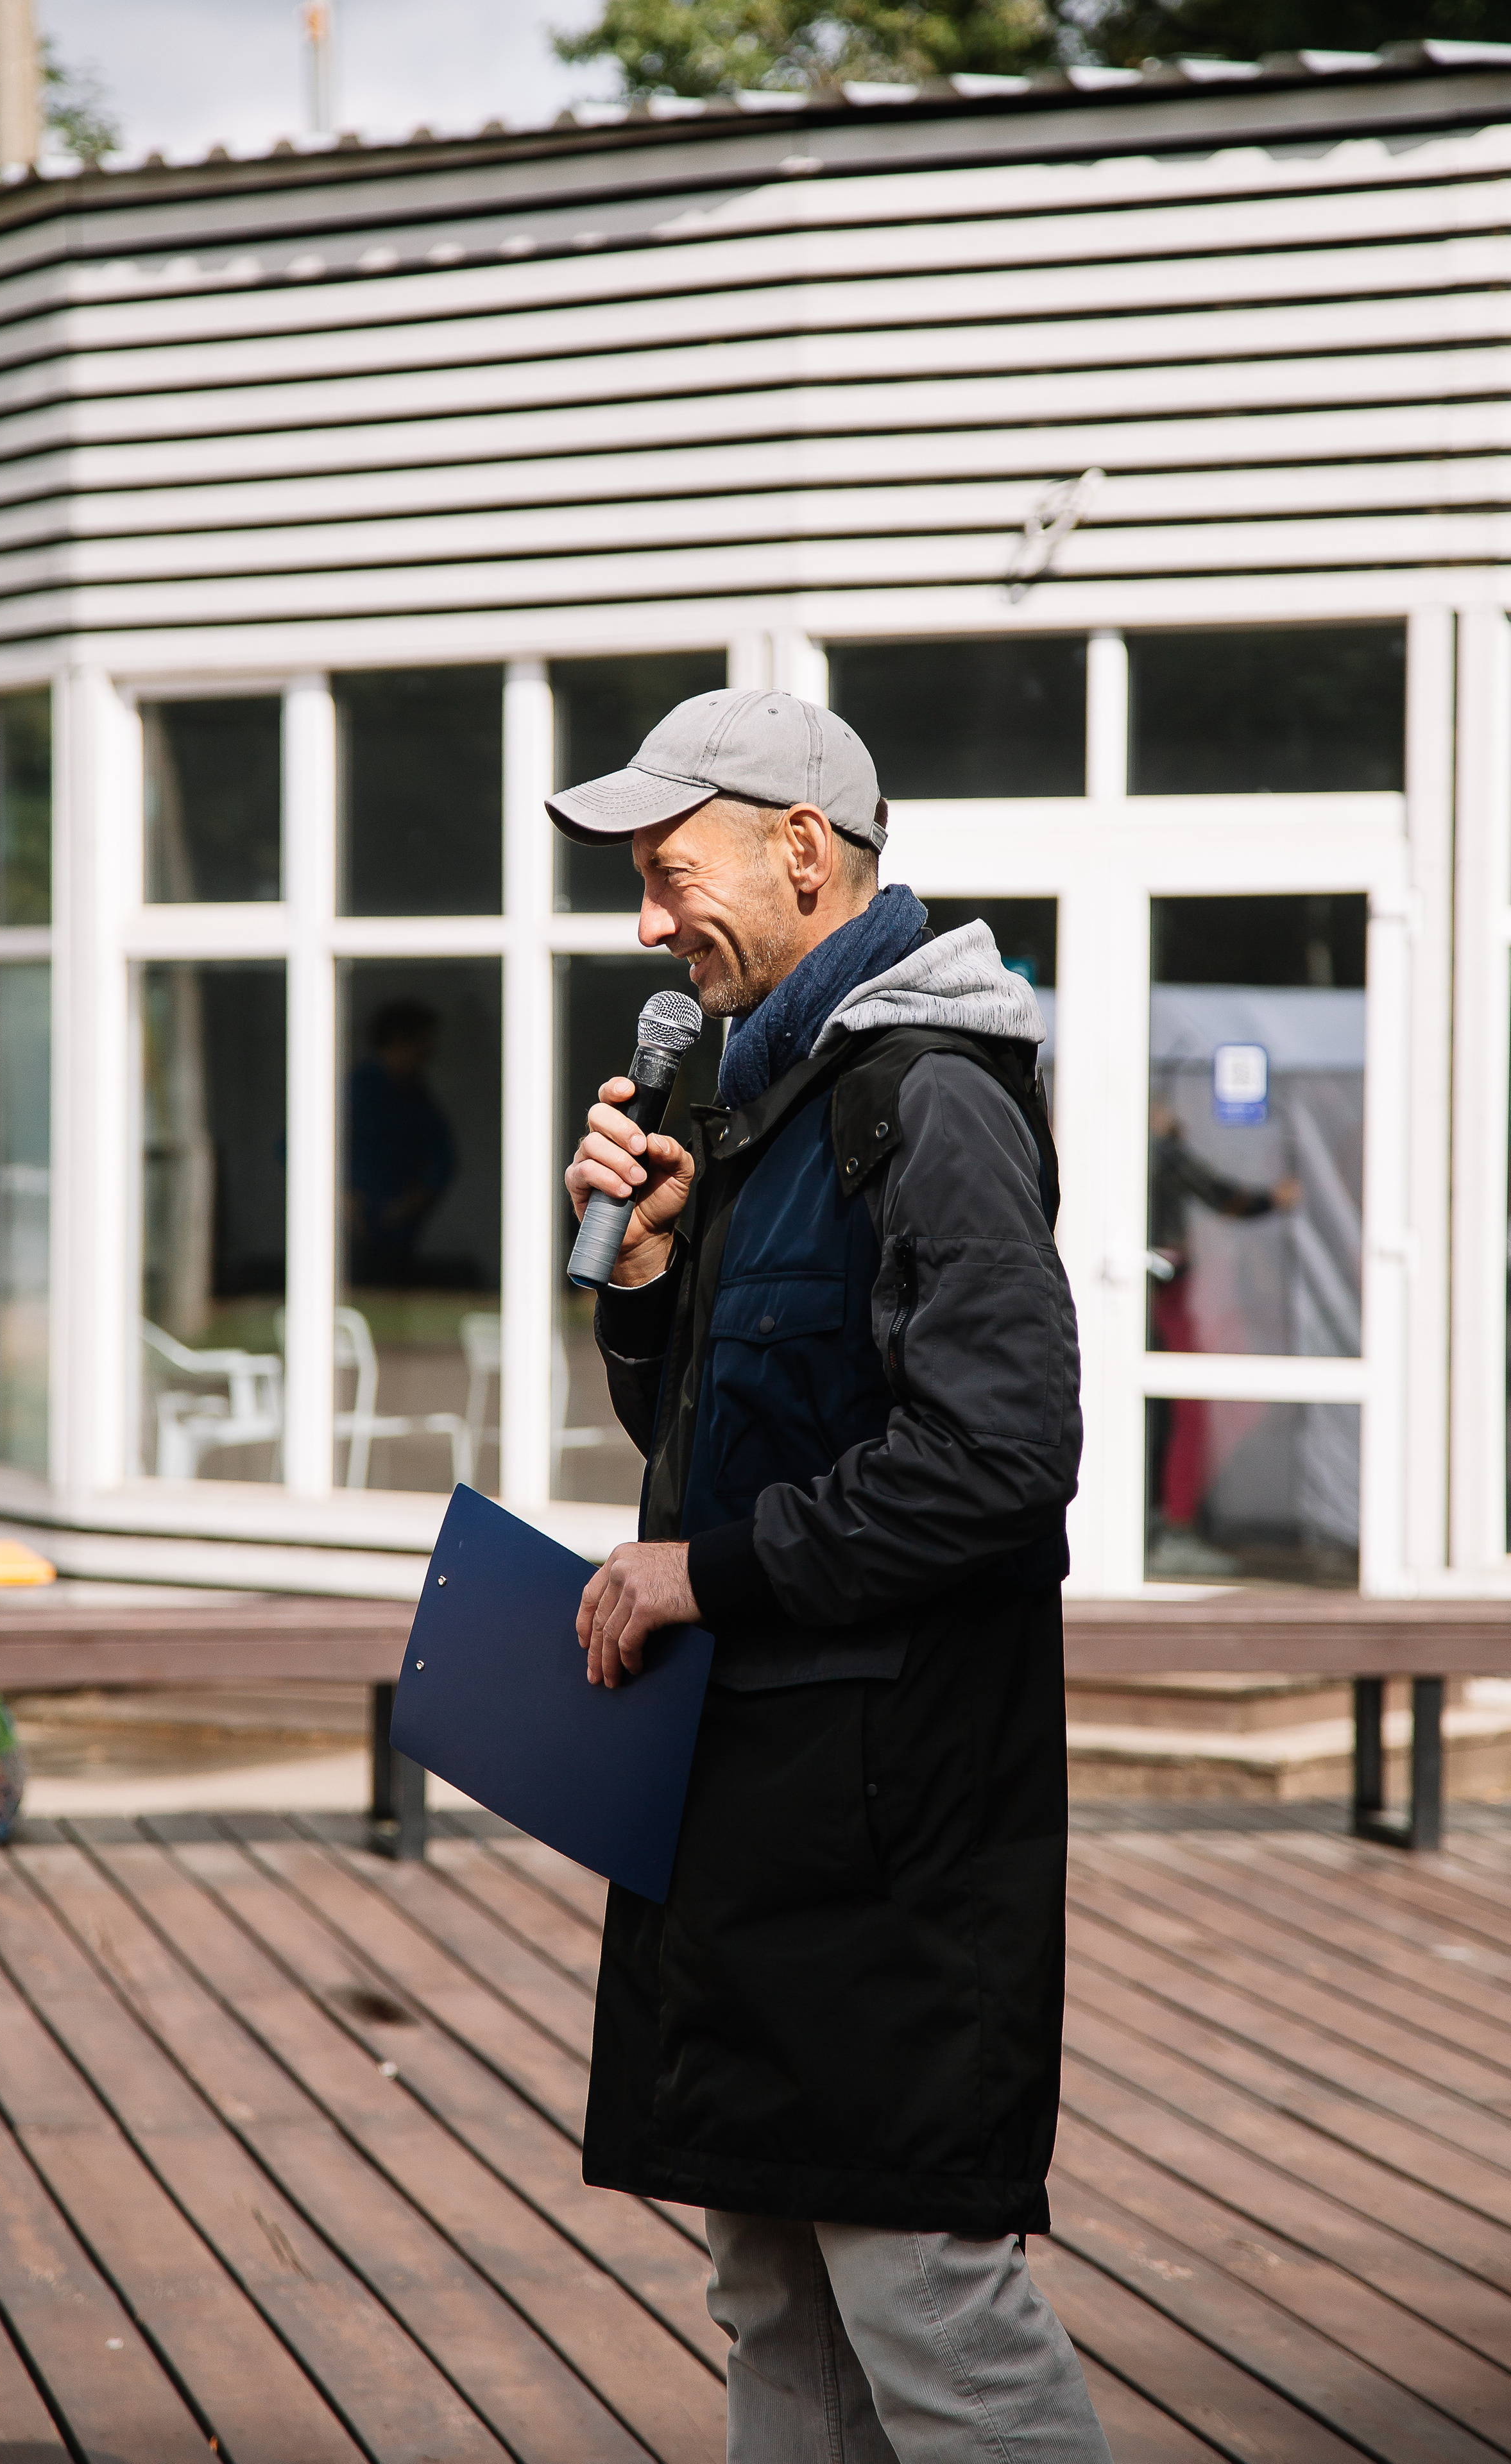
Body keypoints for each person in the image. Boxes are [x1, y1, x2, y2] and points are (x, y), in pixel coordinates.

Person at [552, 688, 1109, 2463]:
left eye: (668, 871)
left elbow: (1008, 1464)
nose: (646, 922)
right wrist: (643, 1278)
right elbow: (736, 1429)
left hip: (894, 1851)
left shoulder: (925, 1100)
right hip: (762, 1835)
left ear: (804, 851)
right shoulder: (758, 1107)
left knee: (929, 2310)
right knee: (776, 2290)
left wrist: (703, 1573)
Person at [1147, 1096, 1300, 1578]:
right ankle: (1172, 1529)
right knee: (1184, 1412)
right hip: (1161, 1298)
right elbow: (1222, 1196)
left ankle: (1157, 1525)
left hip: (1155, 1299)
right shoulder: (1158, 1151)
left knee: (1160, 1415)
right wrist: (1275, 1199)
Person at [345, 998, 456, 1288]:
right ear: (400, 1041)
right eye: (423, 1043)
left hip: (399, 1236)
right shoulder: (356, 1090)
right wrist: (342, 1199)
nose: (429, 1053)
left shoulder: (417, 1096)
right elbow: (294, 1147)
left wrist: (413, 1202)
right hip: (349, 1237)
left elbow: (443, 1160)